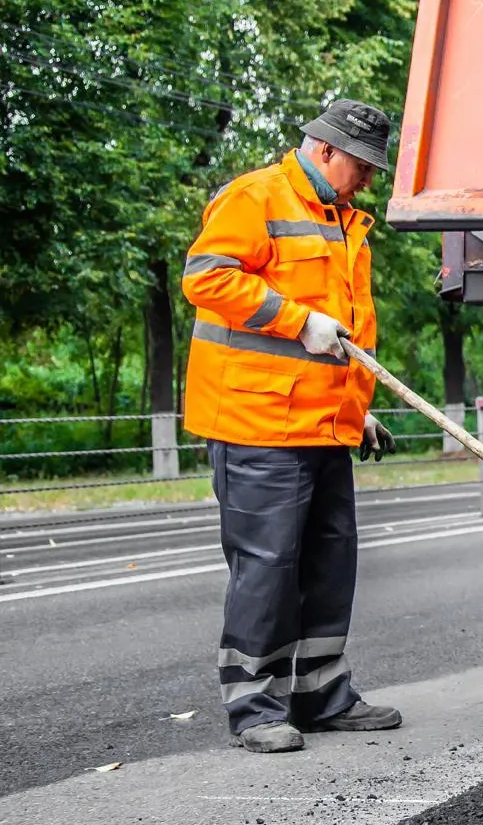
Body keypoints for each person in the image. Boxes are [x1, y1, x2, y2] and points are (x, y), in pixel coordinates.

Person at [181, 99, 402, 753]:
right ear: (325, 148)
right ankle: (254, 706)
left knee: (331, 564)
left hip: (319, 425)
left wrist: (357, 414)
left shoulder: (339, 218)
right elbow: (207, 277)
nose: (368, 179)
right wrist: (296, 318)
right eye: (361, 165)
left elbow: (345, 338)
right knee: (269, 568)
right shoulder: (258, 196)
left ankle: (320, 694)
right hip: (256, 424)